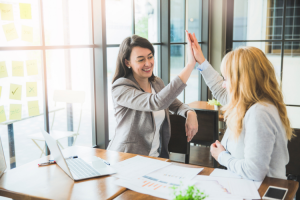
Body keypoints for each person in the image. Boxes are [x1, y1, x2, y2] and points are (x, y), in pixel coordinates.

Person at [186, 31, 293, 181]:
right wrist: (201, 61)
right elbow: (219, 89)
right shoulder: (251, 103)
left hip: (260, 190)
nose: (223, 84)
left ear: (241, 83)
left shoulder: (260, 112)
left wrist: (222, 156)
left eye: (227, 79)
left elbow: (254, 172)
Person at [107, 33, 198, 158]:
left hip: (155, 158)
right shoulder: (121, 87)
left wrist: (190, 112)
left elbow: (176, 105)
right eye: (141, 59)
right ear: (127, 62)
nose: (148, 63)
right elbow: (156, 102)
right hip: (126, 158)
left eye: (150, 57)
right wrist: (190, 65)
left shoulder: (156, 83)